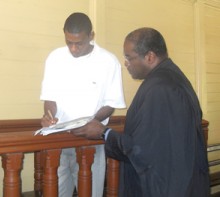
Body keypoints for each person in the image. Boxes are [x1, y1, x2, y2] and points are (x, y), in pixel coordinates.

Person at [72, 27, 210, 197]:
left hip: (164, 187)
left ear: (150, 57)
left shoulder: (160, 88)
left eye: (129, 57)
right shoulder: (174, 78)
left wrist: (104, 133)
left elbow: (142, 151)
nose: (126, 63)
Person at [40, 12, 126, 197]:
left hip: (91, 142)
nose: (73, 48)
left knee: (91, 194)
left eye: (78, 43)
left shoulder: (108, 61)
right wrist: (49, 116)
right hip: (60, 139)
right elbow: (49, 97)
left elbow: (111, 104)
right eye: (68, 42)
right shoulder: (55, 58)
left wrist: (91, 122)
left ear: (91, 36)